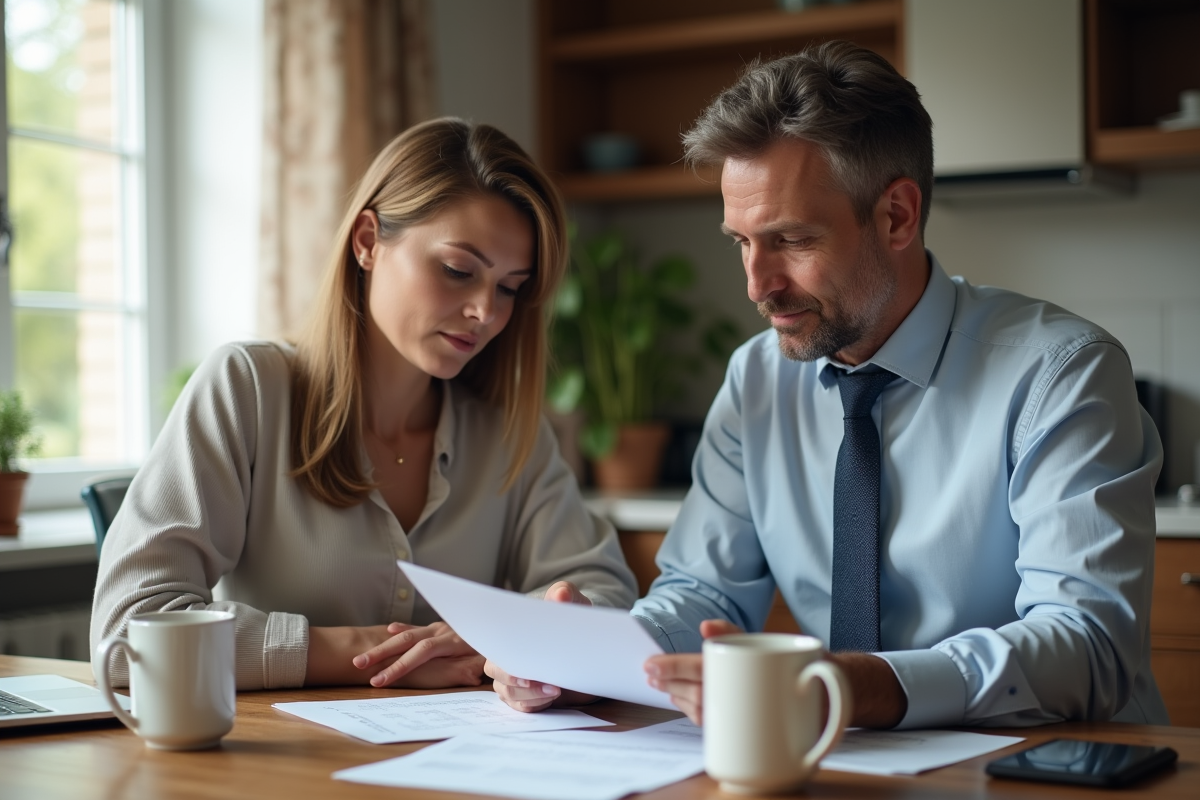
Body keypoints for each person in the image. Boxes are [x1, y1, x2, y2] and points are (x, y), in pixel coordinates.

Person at [488, 42, 1169, 729]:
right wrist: (590, 659)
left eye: (790, 240)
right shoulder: (756, 379)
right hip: (840, 766)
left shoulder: (1060, 373)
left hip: (1045, 770)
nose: (757, 285)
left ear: (897, 216)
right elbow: (702, 596)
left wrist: (862, 687)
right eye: (741, 242)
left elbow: (1089, 645)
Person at [91, 118, 637, 692]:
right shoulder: (248, 388)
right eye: (458, 270)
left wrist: (517, 639)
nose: (486, 311)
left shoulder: (507, 434)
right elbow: (128, 635)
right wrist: (372, 648)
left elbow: (601, 593)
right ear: (368, 242)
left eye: (509, 288)